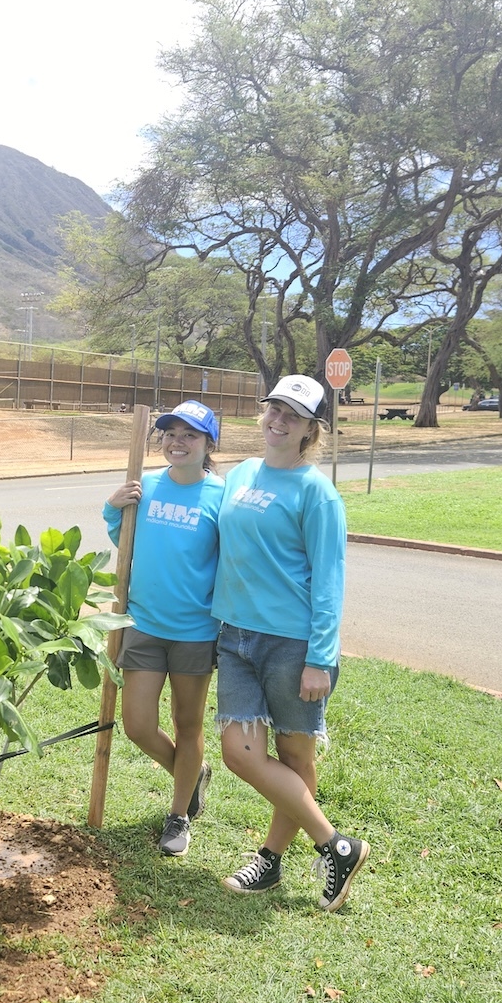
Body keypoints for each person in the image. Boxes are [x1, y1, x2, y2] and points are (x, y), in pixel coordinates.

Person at [212, 374, 366, 912]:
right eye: (273, 409)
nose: (278, 421)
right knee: (240, 754)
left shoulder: (317, 493)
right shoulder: (239, 475)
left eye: (292, 416)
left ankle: (271, 862)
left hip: (292, 645)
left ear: (310, 430)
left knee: (294, 756)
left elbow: (329, 578)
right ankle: (336, 845)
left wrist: (320, 658)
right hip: (233, 638)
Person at [102, 401, 224, 857]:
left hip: (195, 631)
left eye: (190, 435)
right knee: (137, 725)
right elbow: (127, 540)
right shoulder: (146, 487)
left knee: (187, 723)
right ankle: (193, 773)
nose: (178, 441)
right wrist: (113, 509)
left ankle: (179, 814)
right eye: (171, 433)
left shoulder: (220, 497)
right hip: (145, 624)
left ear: (209, 443)